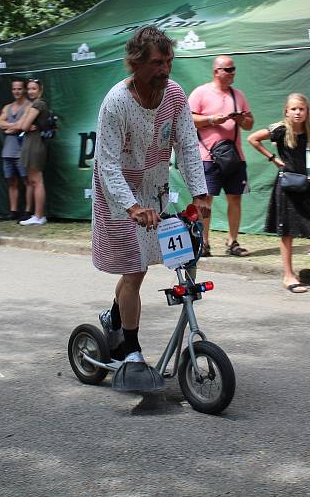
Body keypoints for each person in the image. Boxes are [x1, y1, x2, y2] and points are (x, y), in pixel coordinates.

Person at [92, 26, 210, 365]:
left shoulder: (174, 95)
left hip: (154, 189)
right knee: (135, 268)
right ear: (135, 63)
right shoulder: (117, 102)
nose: (165, 69)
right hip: (120, 196)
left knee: (153, 268)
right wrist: (131, 207)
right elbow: (108, 163)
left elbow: (188, 146)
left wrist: (200, 193)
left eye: (168, 61)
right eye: (157, 62)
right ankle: (130, 349)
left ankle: (114, 319)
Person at [247, 94, 310, 293]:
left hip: (308, 184)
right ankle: (288, 276)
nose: (298, 112)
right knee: (287, 232)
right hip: (287, 186)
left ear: (306, 112)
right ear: (286, 111)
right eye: (294, 109)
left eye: (301, 109)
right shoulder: (280, 130)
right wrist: (273, 158)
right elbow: (252, 138)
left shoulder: (309, 131)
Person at [189, 55, 255, 258]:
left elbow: (250, 123)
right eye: (228, 69)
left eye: (233, 69)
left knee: (235, 199)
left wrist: (242, 119)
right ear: (216, 71)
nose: (232, 73)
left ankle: (232, 241)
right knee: (205, 200)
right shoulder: (200, 92)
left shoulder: (239, 95)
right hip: (207, 157)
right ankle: (203, 243)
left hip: (234, 158)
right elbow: (188, 119)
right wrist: (211, 119)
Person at [0, 80, 32, 221]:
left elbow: (23, 125)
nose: (17, 91)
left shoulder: (29, 106)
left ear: (24, 90)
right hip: (8, 151)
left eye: (19, 89)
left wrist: (9, 127)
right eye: (14, 89)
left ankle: (28, 211)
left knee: (27, 181)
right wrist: (13, 126)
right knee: (11, 181)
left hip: (22, 150)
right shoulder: (7, 107)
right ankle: (13, 211)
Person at [18, 78, 51, 226]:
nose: (31, 91)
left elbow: (23, 126)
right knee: (33, 180)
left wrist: (25, 123)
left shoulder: (38, 104)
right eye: (29, 89)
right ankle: (37, 215)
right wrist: (23, 124)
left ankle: (38, 216)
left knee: (37, 181)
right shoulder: (33, 105)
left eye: (34, 89)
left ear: (40, 90)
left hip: (35, 143)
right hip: (31, 142)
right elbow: (21, 125)